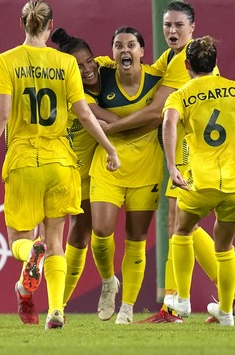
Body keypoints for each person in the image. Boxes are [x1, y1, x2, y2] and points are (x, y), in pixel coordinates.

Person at [0, 0, 120, 330]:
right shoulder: (65, 63)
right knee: (57, 240)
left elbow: (2, 114)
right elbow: (85, 113)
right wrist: (110, 148)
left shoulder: (5, 62)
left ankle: (31, 250)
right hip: (61, 160)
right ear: (50, 25)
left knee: (18, 240)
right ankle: (56, 310)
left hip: (23, 160)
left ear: (22, 24)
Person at [102, 1, 235, 324]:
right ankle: (220, 297)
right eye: (167, 25)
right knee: (181, 225)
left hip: (192, 150)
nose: (172, 31)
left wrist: (111, 126)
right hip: (188, 147)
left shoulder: (186, 61)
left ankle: (175, 305)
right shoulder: (170, 58)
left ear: (192, 28)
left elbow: (157, 111)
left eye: (179, 25)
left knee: (180, 225)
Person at [163, 35, 235, 326]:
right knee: (224, 247)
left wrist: (170, 166)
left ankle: (184, 299)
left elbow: (168, 122)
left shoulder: (182, 94)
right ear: (216, 63)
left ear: (187, 64)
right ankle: (226, 312)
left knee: (182, 231)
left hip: (200, 183)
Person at [89, 27, 164, 324]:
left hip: (146, 169)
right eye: (118, 45)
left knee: (136, 239)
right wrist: (131, 125)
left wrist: (112, 126)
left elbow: (156, 115)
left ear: (142, 52)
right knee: (101, 232)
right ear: (112, 53)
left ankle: (128, 308)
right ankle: (109, 282)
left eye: (131, 45)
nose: (125, 50)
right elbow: (89, 107)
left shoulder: (157, 80)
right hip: (109, 163)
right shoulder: (101, 74)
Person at [50, 28, 122, 308]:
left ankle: (103, 285)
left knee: (89, 230)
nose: (87, 68)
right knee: (75, 235)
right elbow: (111, 119)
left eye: (88, 60)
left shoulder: (106, 65)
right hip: (68, 173)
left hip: (96, 169)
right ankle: (59, 305)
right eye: (78, 66)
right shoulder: (77, 97)